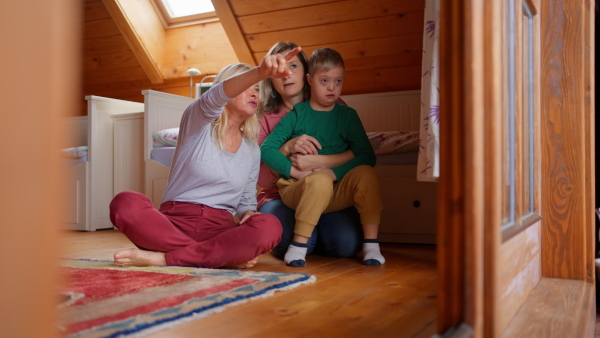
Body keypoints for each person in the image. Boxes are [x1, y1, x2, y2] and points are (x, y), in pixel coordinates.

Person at [109, 49, 302, 269]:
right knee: (125, 202)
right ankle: (217, 257)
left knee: (270, 225)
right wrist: (259, 72)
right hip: (173, 224)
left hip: (219, 230)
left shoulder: (251, 148)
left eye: (257, 89)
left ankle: (164, 258)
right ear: (225, 92)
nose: (254, 93)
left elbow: (246, 201)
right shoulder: (197, 122)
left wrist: (249, 213)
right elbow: (213, 99)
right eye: (246, 87)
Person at [261, 47, 385, 267]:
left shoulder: (346, 114)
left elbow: (367, 155)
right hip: (294, 189)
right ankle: (299, 245)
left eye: (338, 81)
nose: (332, 88)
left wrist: (331, 170)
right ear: (311, 80)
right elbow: (266, 150)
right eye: (325, 81)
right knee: (319, 181)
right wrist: (295, 170)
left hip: (333, 192)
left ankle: (371, 245)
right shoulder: (297, 114)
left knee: (364, 174)